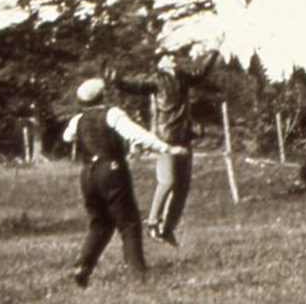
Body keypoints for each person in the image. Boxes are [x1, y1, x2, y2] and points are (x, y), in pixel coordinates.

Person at [63, 78, 189, 288]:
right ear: (103, 96)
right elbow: (136, 135)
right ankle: (139, 276)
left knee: (100, 223)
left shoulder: (78, 120)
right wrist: (167, 148)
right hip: (111, 170)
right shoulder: (112, 114)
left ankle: (83, 265)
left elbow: (67, 137)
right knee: (129, 223)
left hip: (87, 174)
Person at [106, 47, 217, 247]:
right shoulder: (157, 80)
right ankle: (153, 223)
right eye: (167, 56)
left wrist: (214, 54)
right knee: (168, 182)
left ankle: (167, 230)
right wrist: (116, 80)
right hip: (166, 139)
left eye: (173, 55)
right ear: (161, 63)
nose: (173, 58)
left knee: (182, 187)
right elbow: (135, 86)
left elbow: (200, 75)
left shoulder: (183, 77)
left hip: (184, 138)